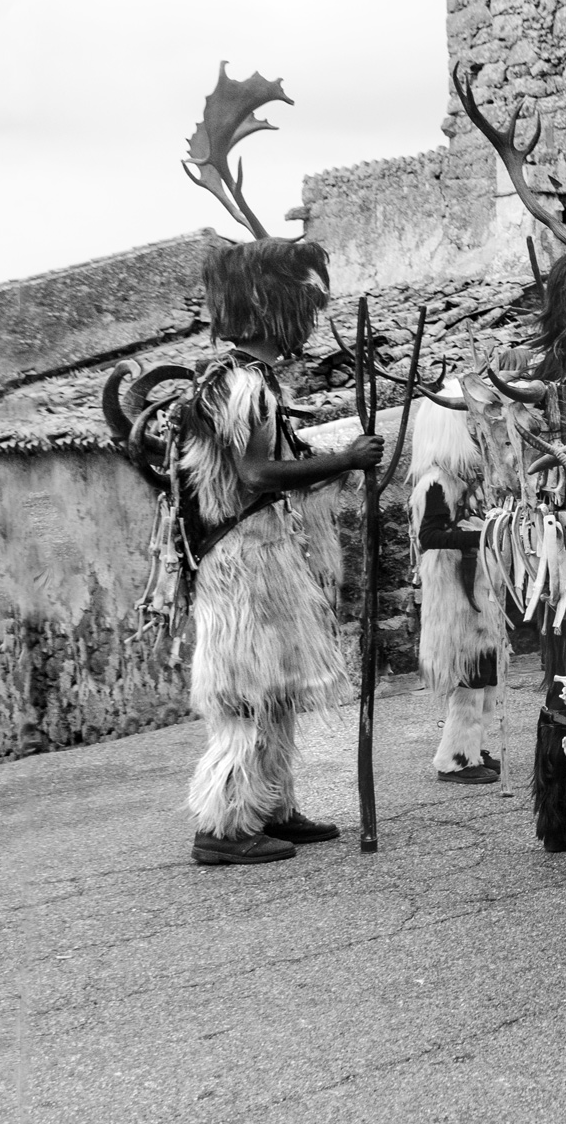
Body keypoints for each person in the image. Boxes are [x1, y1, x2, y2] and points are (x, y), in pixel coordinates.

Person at [180, 241, 380, 863]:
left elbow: (277, 464)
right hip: (239, 563)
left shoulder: (245, 381)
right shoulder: (242, 385)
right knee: (246, 693)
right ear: (278, 312)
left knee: (276, 688)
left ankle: (271, 806)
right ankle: (224, 828)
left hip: (260, 557)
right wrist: (347, 458)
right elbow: (259, 473)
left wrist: (335, 461)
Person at [407, 389, 504, 785]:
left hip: (474, 587)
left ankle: (474, 747)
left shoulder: (462, 479)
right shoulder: (436, 483)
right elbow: (430, 536)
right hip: (453, 591)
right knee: (469, 671)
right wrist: (479, 536)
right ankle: (456, 757)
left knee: (484, 668)